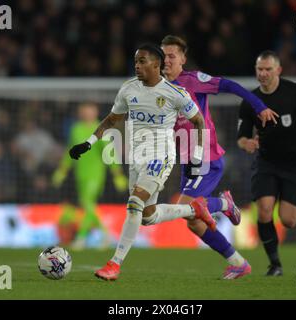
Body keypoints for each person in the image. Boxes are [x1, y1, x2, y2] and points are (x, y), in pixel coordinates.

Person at [69, 43, 217, 281]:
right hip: (137, 159)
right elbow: (111, 120)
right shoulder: (128, 89)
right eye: (136, 61)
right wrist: (87, 143)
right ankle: (194, 209)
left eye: (142, 61)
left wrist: (197, 155)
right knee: (146, 215)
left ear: (157, 64)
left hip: (161, 156)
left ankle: (114, 264)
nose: (137, 66)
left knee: (134, 202)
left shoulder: (175, 93)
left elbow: (199, 121)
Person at [161, 35, 279, 279]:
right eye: (163, 56)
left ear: (183, 59)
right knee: (193, 221)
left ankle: (225, 204)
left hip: (207, 156)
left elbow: (231, 86)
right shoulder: (159, 89)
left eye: (172, 56)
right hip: (188, 162)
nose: (166, 60)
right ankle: (239, 263)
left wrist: (260, 107)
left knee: (185, 208)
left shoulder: (192, 81)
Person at [237, 50, 296, 276]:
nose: (264, 73)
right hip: (266, 162)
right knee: (265, 211)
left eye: (268, 69)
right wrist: (246, 143)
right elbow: (241, 136)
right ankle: (274, 264)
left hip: (295, 164)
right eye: (260, 69)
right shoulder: (250, 101)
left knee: (288, 221)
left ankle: (277, 255)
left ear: (278, 70)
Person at [52, 102, 128, 249]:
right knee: (89, 206)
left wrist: (117, 174)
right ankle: (105, 235)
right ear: (81, 113)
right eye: (84, 111)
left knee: (87, 204)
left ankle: (81, 238)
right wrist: (62, 170)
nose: (87, 114)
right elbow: (71, 151)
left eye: (90, 111)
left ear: (95, 113)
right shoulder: (76, 129)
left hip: (96, 174)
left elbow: (109, 153)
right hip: (80, 174)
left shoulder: (101, 129)